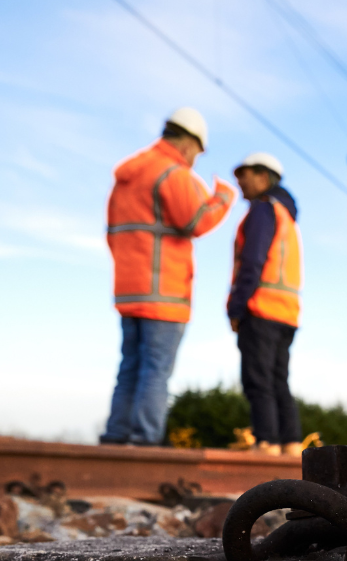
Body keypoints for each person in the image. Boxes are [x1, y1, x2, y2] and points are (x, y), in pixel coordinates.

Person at [101, 107, 236, 446]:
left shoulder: (129, 175)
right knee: (156, 371)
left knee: (129, 368)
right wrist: (223, 197)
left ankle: (116, 439)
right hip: (165, 293)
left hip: (129, 290)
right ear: (189, 144)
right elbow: (196, 221)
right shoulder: (171, 173)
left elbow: (113, 234)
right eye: (197, 153)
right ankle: (145, 443)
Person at [228, 153, 303, 456]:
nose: (240, 182)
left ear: (263, 176)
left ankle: (266, 444)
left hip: (261, 309)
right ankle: (291, 445)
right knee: (278, 381)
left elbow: (252, 262)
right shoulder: (286, 215)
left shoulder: (263, 209)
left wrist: (236, 307)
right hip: (287, 313)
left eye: (244, 175)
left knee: (258, 380)